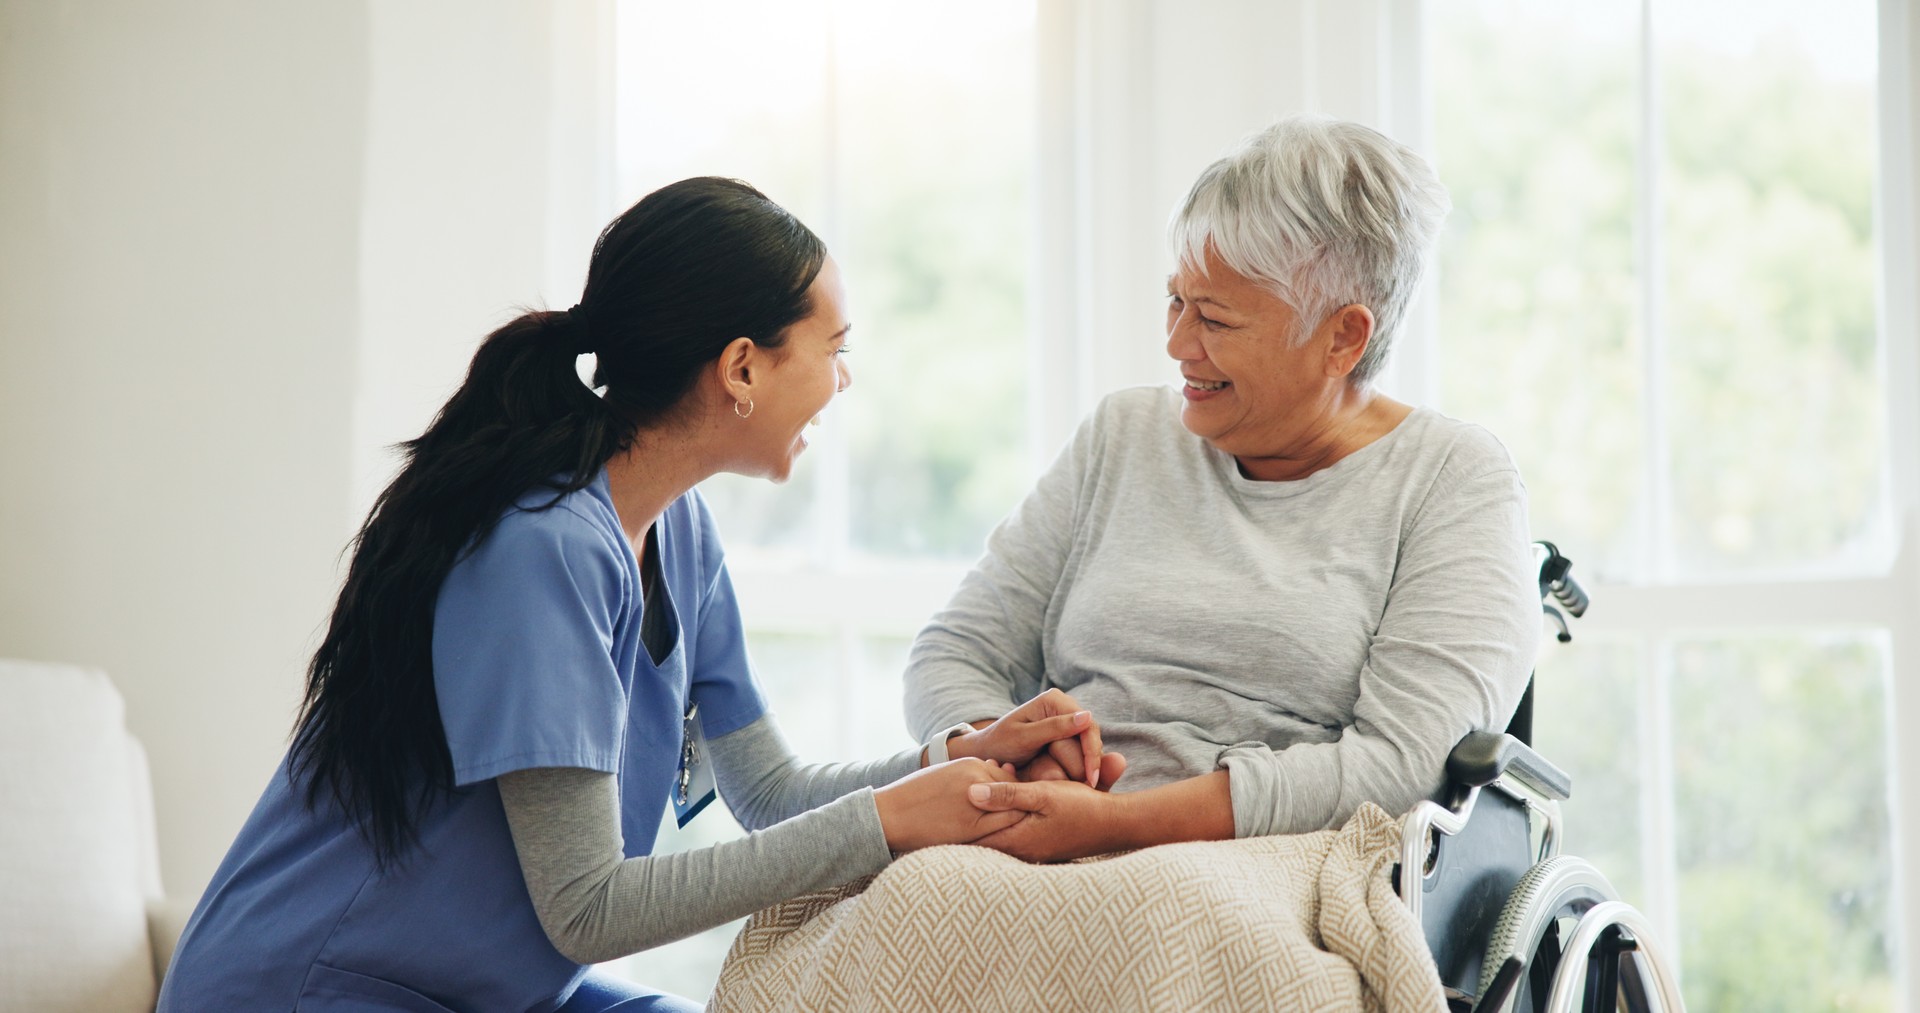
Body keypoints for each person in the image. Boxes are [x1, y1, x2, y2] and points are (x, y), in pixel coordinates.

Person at [157, 177, 1109, 1012]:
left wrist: (962, 758)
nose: (844, 378)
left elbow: (768, 790)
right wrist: (895, 819)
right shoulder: (544, 548)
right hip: (317, 984)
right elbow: (587, 908)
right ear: (742, 367)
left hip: (488, 991)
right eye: (834, 347)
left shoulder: (680, 532)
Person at [904, 114, 1542, 861]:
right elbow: (955, 650)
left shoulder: (1453, 480)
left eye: (1214, 318)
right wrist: (998, 752)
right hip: (1035, 836)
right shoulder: (1124, 435)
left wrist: (1115, 824)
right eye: (1176, 301)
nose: (1176, 345)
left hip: (1274, 869)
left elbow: (1398, 765)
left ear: (1343, 337)